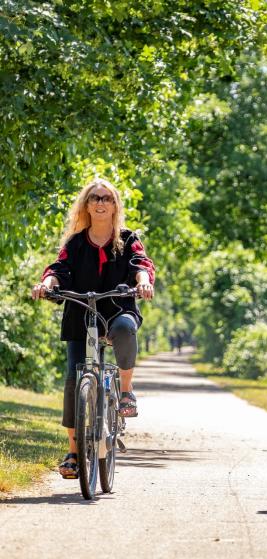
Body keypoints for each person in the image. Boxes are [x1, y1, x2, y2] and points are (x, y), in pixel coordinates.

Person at [31, 178, 155, 479]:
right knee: (74, 378)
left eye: (106, 198)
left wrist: (143, 281)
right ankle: (73, 452)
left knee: (126, 329)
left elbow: (141, 263)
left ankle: (126, 393)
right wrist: (47, 284)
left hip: (117, 308)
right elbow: (58, 269)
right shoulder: (75, 243)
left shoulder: (127, 239)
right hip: (82, 314)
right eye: (94, 198)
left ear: (115, 205)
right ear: (86, 205)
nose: (100, 203)